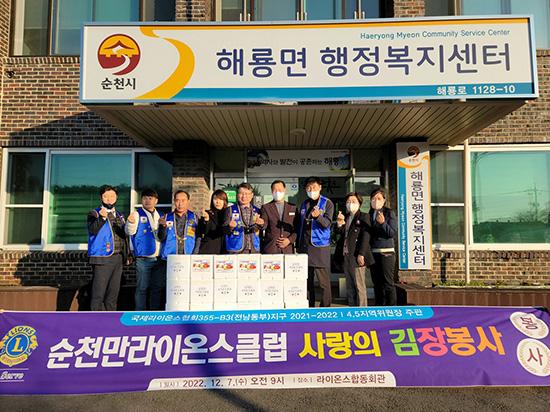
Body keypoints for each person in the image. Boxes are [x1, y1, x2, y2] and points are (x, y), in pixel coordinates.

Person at [87, 185, 129, 311]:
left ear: (116, 197)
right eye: (106, 196)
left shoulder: (120, 215)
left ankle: (110, 319)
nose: (109, 199)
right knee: (98, 293)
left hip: (118, 258)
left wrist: (127, 254)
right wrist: (102, 218)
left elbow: (124, 237)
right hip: (102, 258)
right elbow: (92, 230)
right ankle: (96, 319)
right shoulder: (94, 213)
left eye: (112, 196)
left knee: (113, 294)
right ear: (101, 198)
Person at [295, 176, 334, 307]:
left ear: (320, 188)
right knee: (307, 281)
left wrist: (318, 217)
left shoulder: (327, 203)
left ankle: (325, 308)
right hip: (305, 247)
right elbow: (300, 225)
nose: (312, 190)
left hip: (320, 247)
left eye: (314, 187)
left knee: (323, 283)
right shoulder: (304, 204)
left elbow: (327, 223)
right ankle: (309, 306)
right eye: (309, 188)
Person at [125, 188, 164, 311]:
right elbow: (129, 232)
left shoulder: (161, 215)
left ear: (156, 201)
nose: (147, 201)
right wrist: (130, 223)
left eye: (150, 198)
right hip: (143, 258)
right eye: (145, 198)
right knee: (142, 288)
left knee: (157, 288)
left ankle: (154, 312)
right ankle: (140, 312)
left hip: (159, 258)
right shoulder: (136, 214)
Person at [334, 192, 374, 307]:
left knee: (359, 285)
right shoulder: (346, 217)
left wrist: (361, 254)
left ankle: (362, 310)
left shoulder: (364, 216)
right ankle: (352, 308)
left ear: (359, 203)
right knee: (349, 285)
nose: (350, 204)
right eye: (348, 202)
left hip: (356, 256)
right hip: (346, 255)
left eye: (353, 201)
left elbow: (366, 237)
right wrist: (339, 224)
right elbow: (340, 234)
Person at [368, 187, 398, 306]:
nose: (376, 201)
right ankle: (379, 307)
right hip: (373, 253)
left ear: (384, 200)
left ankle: (391, 308)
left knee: (388, 283)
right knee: (377, 283)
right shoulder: (370, 213)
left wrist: (383, 223)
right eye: (373, 198)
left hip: (387, 252)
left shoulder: (389, 212)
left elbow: (392, 233)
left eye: (379, 198)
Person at [223, 182, 264, 254]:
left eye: (247, 194)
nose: (244, 196)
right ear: (237, 195)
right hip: (236, 250)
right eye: (241, 193)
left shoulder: (258, 210)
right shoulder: (230, 210)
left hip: (254, 249)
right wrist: (230, 227)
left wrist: (262, 224)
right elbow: (224, 230)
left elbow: (262, 229)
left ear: (252, 195)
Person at [260, 180, 297, 254]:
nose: (277, 192)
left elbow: (297, 228)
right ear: (272, 191)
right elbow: (264, 225)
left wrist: (289, 240)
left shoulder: (293, 208)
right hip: (271, 248)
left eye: (280, 190)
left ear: (284, 190)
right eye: (275, 190)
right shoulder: (266, 207)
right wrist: (261, 223)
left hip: (288, 249)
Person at [197, 189, 228, 254]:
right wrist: (207, 220)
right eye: (215, 199)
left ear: (224, 201)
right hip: (209, 249)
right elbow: (202, 231)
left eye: (220, 199)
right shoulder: (207, 214)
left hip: (225, 249)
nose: (217, 202)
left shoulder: (228, 214)